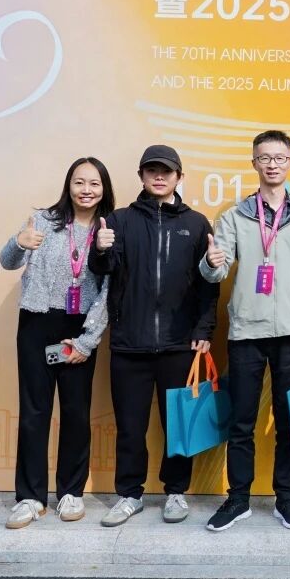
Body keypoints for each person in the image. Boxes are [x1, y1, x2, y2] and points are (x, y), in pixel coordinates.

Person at [201, 131, 290, 532]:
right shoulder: (235, 216)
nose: (272, 164)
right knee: (241, 422)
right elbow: (217, 271)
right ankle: (238, 499)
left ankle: (286, 498)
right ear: (253, 163)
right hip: (246, 332)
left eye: (279, 157)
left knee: (289, 421)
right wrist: (210, 262)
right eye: (264, 158)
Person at [89, 144, 218, 527]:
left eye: (166, 171)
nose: (159, 177)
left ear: (179, 177)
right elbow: (103, 270)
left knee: (179, 425)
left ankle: (176, 491)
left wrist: (204, 328)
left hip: (180, 344)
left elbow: (208, 285)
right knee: (130, 428)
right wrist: (100, 250)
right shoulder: (120, 220)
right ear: (141, 176)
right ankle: (130, 495)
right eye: (151, 171)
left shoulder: (197, 223)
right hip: (129, 343)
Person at [0, 157, 115, 528]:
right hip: (37, 322)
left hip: (78, 328)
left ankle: (71, 492)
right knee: (34, 412)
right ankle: (30, 498)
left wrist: (88, 340)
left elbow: (110, 290)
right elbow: (7, 261)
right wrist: (18, 243)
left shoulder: (108, 230)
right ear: (68, 185)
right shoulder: (44, 221)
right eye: (79, 182)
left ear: (104, 189)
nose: (86, 190)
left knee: (76, 412)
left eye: (94, 183)